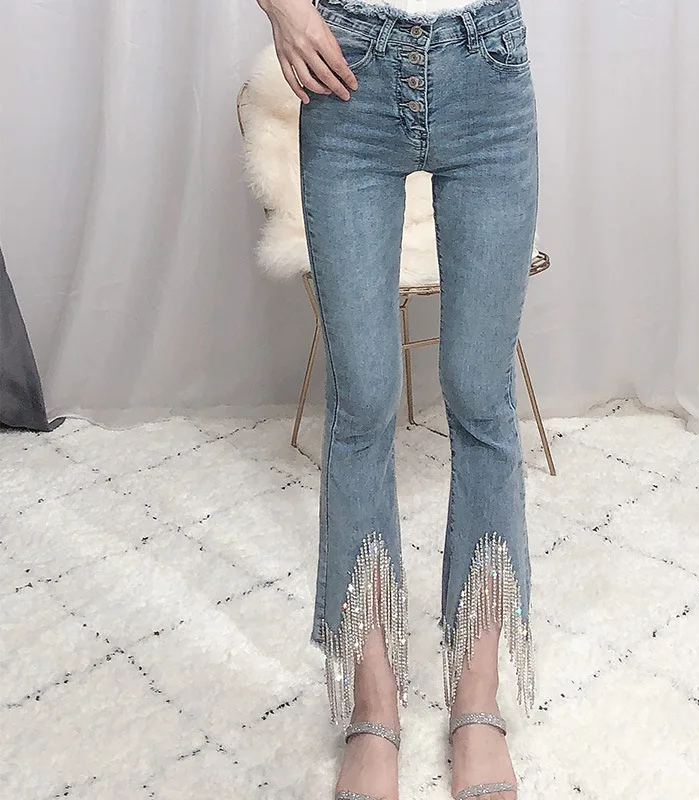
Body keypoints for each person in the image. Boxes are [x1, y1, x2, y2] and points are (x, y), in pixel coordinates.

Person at [255, 0, 539, 797]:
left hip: (486, 64)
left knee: (480, 398)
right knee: (363, 402)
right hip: (348, 69)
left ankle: (477, 703)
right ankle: (372, 708)